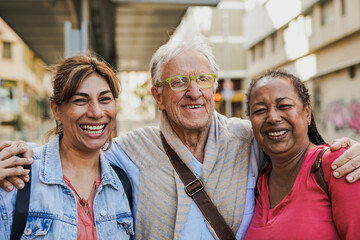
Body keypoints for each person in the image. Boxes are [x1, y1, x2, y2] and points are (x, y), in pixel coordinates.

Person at [1, 37, 360, 240]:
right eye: (177, 82)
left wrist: (348, 151)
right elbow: (77, 152)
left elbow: (292, 142)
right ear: (157, 95)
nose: (193, 92)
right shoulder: (130, 148)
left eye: (203, 79)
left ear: (215, 87)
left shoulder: (247, 137)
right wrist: (20, 153)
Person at [0, 55, 133, 239]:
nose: (96, 112)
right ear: (56, 110)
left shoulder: (123, 183)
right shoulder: (18, 176)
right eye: (80, 100)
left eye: (104, 99)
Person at [244, 70, 360, 239]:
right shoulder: (258, 183)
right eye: (260, 110)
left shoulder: (339, 165)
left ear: (307, 112)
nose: (273, 117)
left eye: (284, 106)